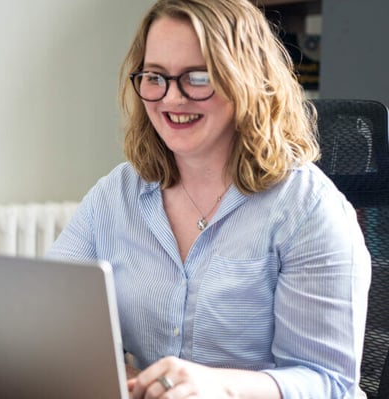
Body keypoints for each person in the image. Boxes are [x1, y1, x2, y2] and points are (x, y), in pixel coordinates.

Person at [47, 0, 371, 397]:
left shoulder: (307, 209)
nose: (171, 98)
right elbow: (54, 320)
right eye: (155, 76)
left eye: (197, 77)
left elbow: (330, 384)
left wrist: (217, 385)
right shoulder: (116, 196)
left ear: (246, 81)